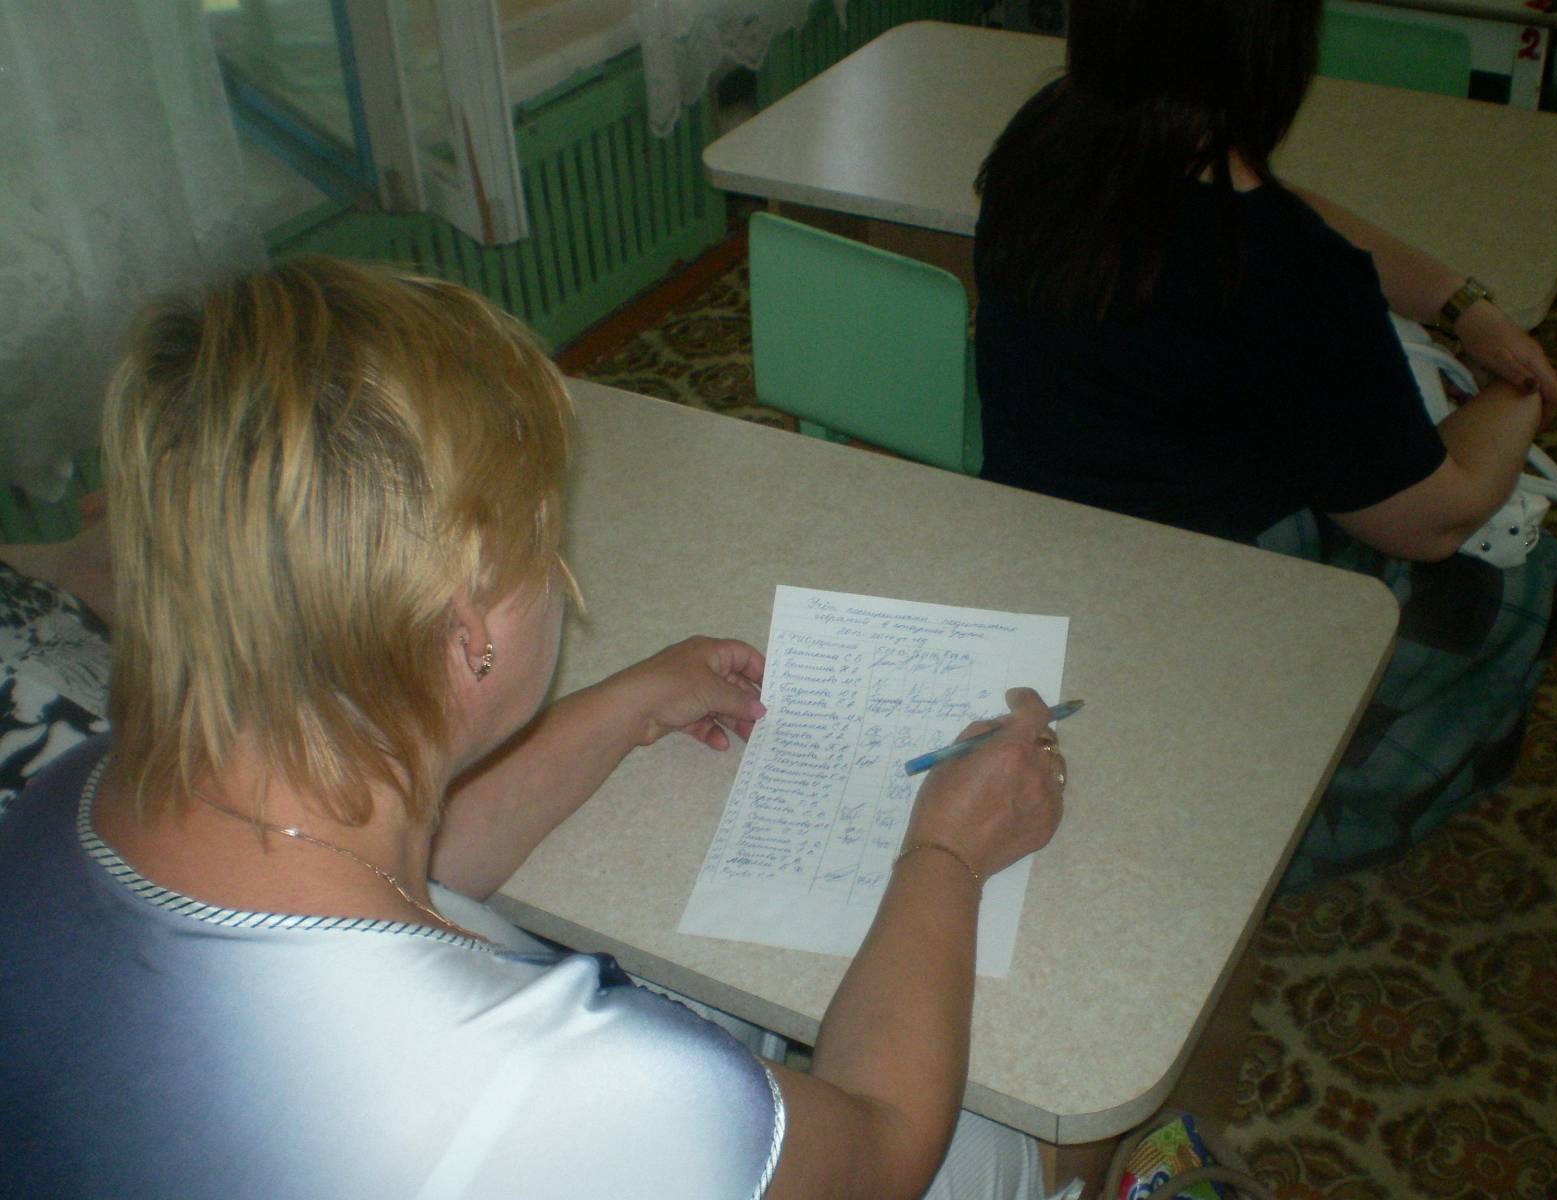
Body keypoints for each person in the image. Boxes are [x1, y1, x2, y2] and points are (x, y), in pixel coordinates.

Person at [0, 258, 1070, 1198]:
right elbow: (882, 1150)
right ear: (467, 628)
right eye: (544, 543)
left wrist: (629, 706)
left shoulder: (76, 797)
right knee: (1007, 1136)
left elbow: (406, 876)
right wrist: (945, 851)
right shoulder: (591, 1085)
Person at [973, 0, 1557, 889]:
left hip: (1041, 537)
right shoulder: (1283, 271)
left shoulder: (1048, 136)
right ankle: (1275, 835)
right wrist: (1520, 390)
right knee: (1522, 582)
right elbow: (1429, 521)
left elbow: (1280, 208)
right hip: (1210, 596)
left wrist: (1458, 303)